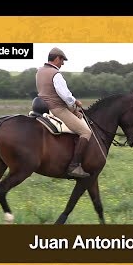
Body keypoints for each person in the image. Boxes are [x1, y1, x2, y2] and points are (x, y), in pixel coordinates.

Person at [35, 47, 92, 178]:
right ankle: (74, 166)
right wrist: (74, 105)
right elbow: (65, 96)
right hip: (56, 108)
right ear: (56, 58)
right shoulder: (56, 74)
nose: (63, 63)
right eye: (62, 60)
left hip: (41, 107)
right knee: (86, 132)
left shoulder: (39, 71)